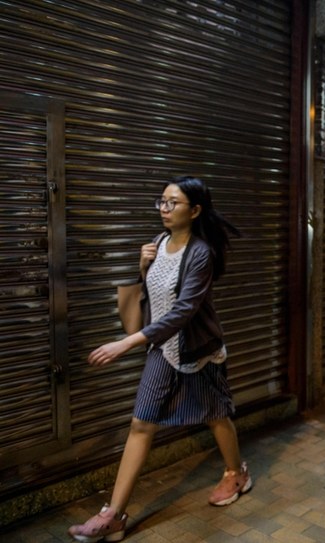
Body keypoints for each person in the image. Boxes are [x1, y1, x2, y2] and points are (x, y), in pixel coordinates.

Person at [69, 177, 248, 542]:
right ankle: (114, 514)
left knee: (216, 415)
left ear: (194, 210)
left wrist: (127, 342)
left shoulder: (201, 253)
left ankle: (236, 473)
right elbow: (154, 298)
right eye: (162, 202)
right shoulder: (159, 244)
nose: (165, 210)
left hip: (198, 350)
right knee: (141, 423)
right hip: (162, 350)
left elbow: (183, 311)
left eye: (173, 203)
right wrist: (141, 266)